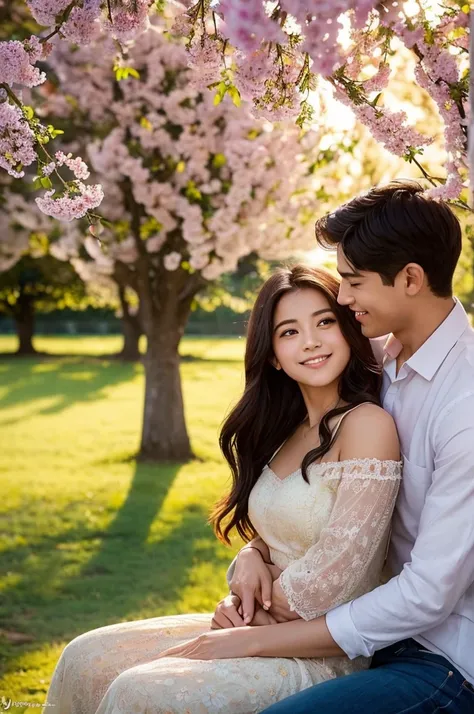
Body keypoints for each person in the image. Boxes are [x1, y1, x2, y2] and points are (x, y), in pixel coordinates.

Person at [43, 265, 401, 714]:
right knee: (86, 656)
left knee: (143, 691)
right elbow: (282, 532)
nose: (311, 341)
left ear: (348, 330)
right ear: (272, 355)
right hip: (259, 625)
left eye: (325, 322)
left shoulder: (367, 426)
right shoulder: (287, 430)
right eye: (289, 332)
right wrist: (250, 559)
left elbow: (332, 585)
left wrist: (249, 607)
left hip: (322, 651)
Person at [258, 180, 474, 713]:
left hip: (444, 655)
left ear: (410, 279)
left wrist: (258, 638)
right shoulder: (370, 360)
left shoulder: (464, 402)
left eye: (353, 282)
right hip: (358, 626)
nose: (343, 297)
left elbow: (428, 594)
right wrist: (252, 555)